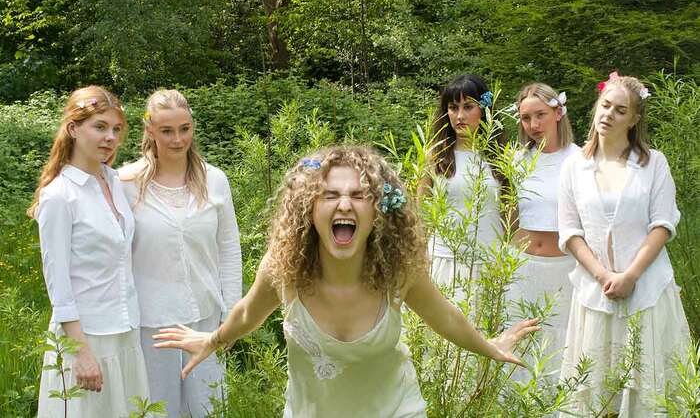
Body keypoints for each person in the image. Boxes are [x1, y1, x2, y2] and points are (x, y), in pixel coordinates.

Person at [152, 145, 539, 417]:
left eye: (358, 195)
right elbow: (248, 313)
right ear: (309, 208)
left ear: (378, 210)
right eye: (330, 195)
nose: (344, 204)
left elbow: (446, 318)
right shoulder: (284, 268)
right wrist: (213, 339)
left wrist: (488, 346)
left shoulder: (398, 270)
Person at [558, 73, 690, 416]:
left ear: (633, 119)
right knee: (597, 391)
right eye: (605, 106)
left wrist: (630, 275)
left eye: (620, 110)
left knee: (648, 387)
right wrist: (603, 275)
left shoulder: (653, 164)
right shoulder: (575, 166)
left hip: (646, 290)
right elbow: (570, 230)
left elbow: (663, 224)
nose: (609, 115)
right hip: (594, 293)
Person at [119, 89, 242, 418]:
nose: (177, 139)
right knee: (158, 410)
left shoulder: (214, 180)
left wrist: (230, 313)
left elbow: (229, 248)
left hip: (204, 317)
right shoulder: (125, 183)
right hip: (150, 323)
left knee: (210, 408)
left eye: (184, 129)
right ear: (150, 131)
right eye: (167, 131)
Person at [29, 86, 149, 417]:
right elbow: (58, 283)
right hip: (87, 338)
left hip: (125, 331)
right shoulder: (60, 196)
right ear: (73, 128)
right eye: (99, 126)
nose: (110, 137)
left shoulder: (114, 182)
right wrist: (80, 353)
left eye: (116, 129)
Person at [508, 82, 580, 378]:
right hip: (522, 268)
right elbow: (510, 213)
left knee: (560, 342)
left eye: (540, 115)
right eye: (526, 118)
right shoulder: (517, 159)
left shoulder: (580, 159)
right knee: (522, 338)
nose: (533, 125)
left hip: (564, 267)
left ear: (558, 113)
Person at [425, 74, 506, 302]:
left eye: (468, 107)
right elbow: (420, 214)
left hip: (490, 264)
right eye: (453, 107)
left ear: (484, 110)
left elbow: (511, 216)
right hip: (443, 261)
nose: (459, 116)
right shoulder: (435, 156)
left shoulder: (501, 158)